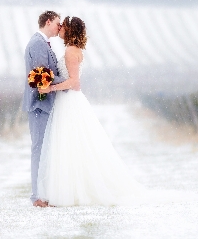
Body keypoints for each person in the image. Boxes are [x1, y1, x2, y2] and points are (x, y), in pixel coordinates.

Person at [36, 16, 145, 206]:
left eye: (63, 26)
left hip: (69, 101)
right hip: (68, 100)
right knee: (70, 145)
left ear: (69, 31)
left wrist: (50, 88)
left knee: (68, 144)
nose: (59, 28)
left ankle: (68, 194)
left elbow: (74, 83)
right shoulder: (73, 49)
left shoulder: (71, 51)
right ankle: (67, 191)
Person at [22, 11, 75, 207]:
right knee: (39, 150)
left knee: (46, 151)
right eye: (57, 23)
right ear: (48, 21)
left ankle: (44, 193)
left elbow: (47, 74)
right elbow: (43, 74)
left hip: (45, 104)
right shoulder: (37, 43)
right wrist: (69, 82)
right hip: (39, 104)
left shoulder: (43, 43)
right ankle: (37, 196)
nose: (59, 27)